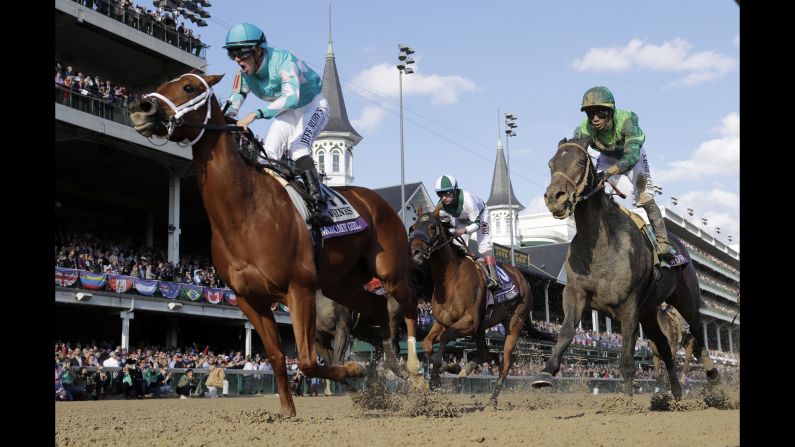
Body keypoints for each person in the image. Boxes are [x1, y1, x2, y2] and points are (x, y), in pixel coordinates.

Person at [222, 22, 332, 226]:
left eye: (241, 53)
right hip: (288, 111)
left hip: (313, 105)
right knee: (267, 156)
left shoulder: (283, 61)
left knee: (298, 148)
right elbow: (237, 95)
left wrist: (255, 114)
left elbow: (291, 97)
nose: (237, 59)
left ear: (257, 51)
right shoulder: (244, 73)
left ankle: (320, 205)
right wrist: (224, 118)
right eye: (232, 53)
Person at [573, 86, 675, 263]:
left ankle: (663, 242)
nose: (595, 119)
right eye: (590, 114)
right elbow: (576, 154)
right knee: (593, 190)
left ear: (610, 111)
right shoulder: (584, 129)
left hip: (633, 157)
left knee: (644, 197)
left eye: (600, 113)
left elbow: (631, 157)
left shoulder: (627, 121)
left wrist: (608, 173)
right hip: (608, 157)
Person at [433, 174, 499, 290]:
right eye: (440, 194)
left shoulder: (468, 200)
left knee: (483, 246)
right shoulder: (441, 206)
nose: (443, 198)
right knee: (458, 246)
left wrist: (463, 230)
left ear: (455, 190)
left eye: (447, 193)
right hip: (461, 218)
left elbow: (477, 224)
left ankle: (494, 278)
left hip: (480, 215)